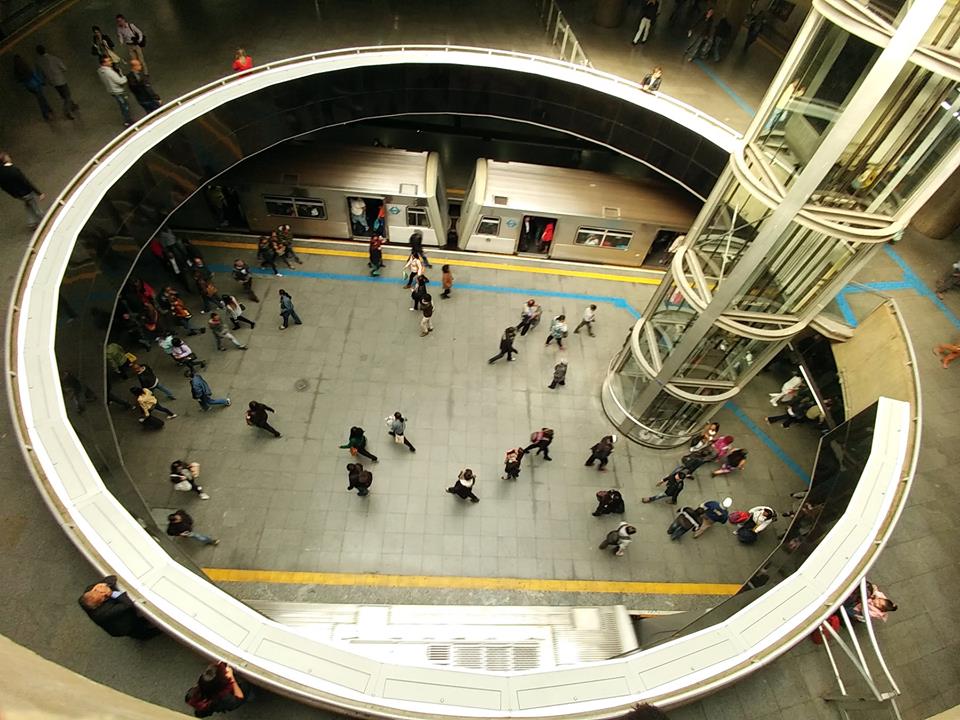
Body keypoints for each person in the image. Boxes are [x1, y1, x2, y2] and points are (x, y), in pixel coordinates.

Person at [78, 575, 160, 639]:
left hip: (116, 613)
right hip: (123, 626)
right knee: (139, 631)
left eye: (98, 591)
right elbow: (127, 604)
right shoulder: (102, 613)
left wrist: (103, 584)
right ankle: (152, 633)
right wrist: (111, 593)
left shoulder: (90, 590)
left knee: (140, 621)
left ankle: (142, 622)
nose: (103, 592)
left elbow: (112, 578)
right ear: (99, 604)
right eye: (103, 596)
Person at [185, 662, 249, 717]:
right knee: (246, 688)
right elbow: (239, 697)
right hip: (228, 700)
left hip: (210, 705)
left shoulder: (197, 692)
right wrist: (232, 678)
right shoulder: (224, 698)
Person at [0, 152, 45, 228]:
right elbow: (26, 182)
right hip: (26, 192)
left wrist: (13, 194)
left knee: (28, 205)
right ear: (5, 159)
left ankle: (32, 222)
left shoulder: (1, 172)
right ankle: (44, 220)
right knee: (35, 207)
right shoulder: (14, 170)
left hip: (18, 195)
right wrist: (39, 193)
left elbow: (3, 186)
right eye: (7, 156)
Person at [36, 45, 79, 119]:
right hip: (60, 79)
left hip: (52, 82)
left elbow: (40, 73)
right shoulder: (53, 58)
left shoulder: (39, 62)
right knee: (67, 95)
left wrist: (45, 80)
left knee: (63, 95)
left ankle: (73, 105)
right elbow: (63, 68)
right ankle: (67, 111)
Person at [13, 53, 52, 120]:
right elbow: (34, 74)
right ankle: (45, 113)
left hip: (29, 87)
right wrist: (41, 82)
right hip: (36, 85)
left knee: (41, 97)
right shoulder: (25, 65)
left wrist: (24, 83)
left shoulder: (16, 69)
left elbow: (18, 80)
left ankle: (48, 108)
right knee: (41, 99)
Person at [96, 54, 133, 126]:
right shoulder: (109, 72)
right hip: (118, 91)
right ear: (104, 63)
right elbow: (120, 81)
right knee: (124, 106)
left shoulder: (100, 71)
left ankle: (127, 120)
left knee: (122, 105)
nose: (111, 62)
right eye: (108, 61)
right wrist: (124, 77)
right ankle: (128, 120)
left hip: (111, 90)